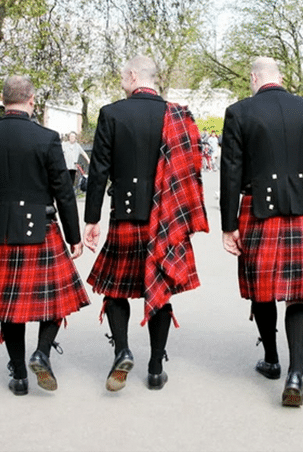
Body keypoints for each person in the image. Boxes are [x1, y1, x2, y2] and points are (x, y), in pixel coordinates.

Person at [84, 55, 208, 391]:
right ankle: (155, 367)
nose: (121, 80)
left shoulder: (112, 113)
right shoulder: (179, 115)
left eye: (123, 74)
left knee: (114, 290)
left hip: (126, 215)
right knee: (161, 290)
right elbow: (191, 169)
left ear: (134, 75)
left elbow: (98, 170)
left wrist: (91, 219)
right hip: (166, 218)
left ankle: (122, 351)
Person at [220, 57, 303, 407]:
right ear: (280, 77)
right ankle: (296, 372)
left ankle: (272, 359)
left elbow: (230, 170)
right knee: (298, 293)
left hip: (259, 211)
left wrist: (229, 226)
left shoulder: (239, 111)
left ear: (254, 78)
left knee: (263, 287)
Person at [0, 76, 89, 396]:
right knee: (55, 301)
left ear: (3, 100)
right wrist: (74, 236)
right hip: (41, 231)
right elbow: (64, 191)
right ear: (31, 99)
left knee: (9, 307)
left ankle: (19, 375)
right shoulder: (45, 137)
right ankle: (41, 353)